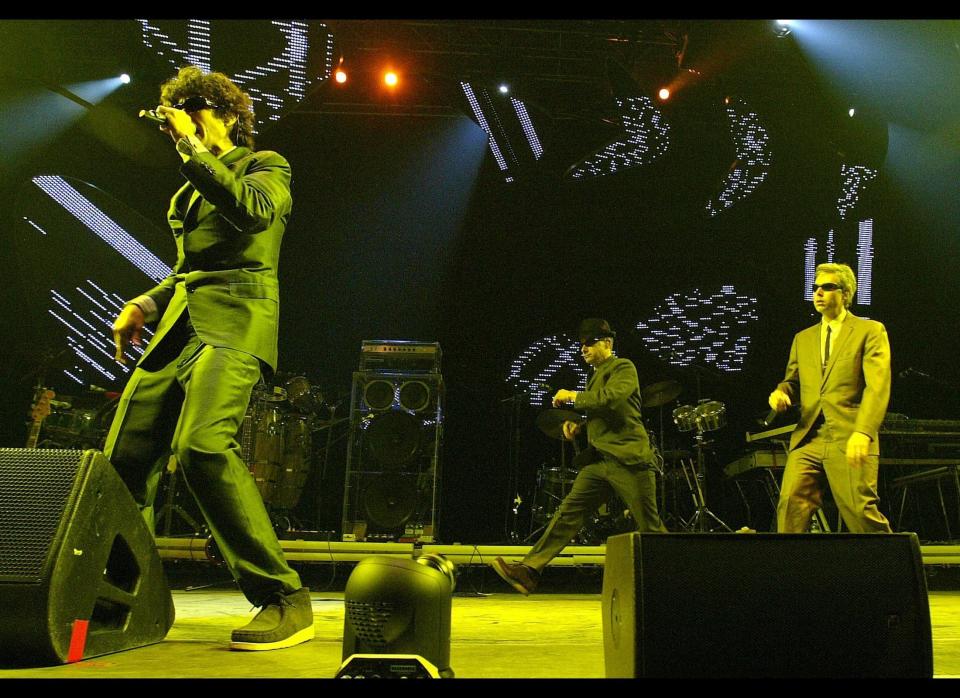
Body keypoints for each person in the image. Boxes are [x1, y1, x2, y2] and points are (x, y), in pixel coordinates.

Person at [104, 66, 313, 650]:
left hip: (236, 324)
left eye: (194, 108)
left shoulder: (266, 167)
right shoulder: (185, 191)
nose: (181, 121)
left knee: (199, 447)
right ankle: (124, 591)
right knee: (122, 461)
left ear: (228, 115)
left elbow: (253, 213)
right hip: (175, 332)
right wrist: (145, 303)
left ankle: (282, 596)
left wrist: (198, 147)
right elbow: (185, 272)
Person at [492, 318, 667, 594]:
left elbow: (612, 399)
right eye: (581, 344)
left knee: (651, 530)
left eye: (589, 343)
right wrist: (580, 426)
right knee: (568, 513)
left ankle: (679, 579)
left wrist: (573, 396)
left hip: (628, 460)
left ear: (607, 343)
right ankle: (529, 570)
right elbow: (604, 412)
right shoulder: (594, 375)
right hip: (600, 462)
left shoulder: (623, 367)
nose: (583, 349)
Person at [768, 262, 892, 533]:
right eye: (815, 288)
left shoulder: (869, 331)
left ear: (846, 294)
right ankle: (790, 575)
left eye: (827, 287)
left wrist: (864, 431)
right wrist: (780, 392)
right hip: (808, 436)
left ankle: (898, 569)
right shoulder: (803, 338)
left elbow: (878, 386)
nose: (818, 293)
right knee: (790, 503)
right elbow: (791, 380)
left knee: (860, 512)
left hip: (849, 435)